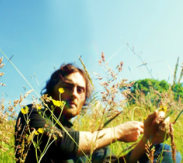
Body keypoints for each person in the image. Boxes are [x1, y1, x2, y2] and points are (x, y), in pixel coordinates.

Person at [15, 63, 182, 163]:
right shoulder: (32, 113)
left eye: (80, 90)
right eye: (67, 86)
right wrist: (118, 132)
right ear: (51, 89)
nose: (74, 93)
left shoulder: (88, 140)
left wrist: (147, 139)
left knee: (165, 151)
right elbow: (59, 143)